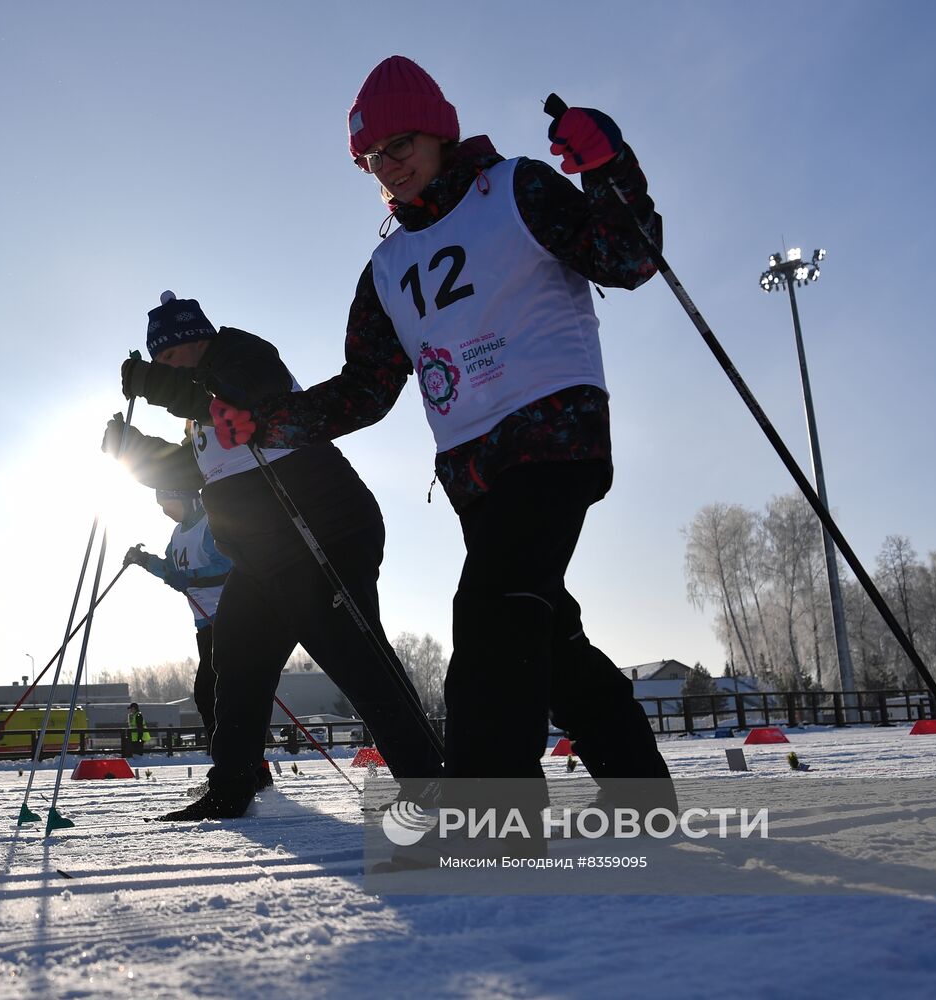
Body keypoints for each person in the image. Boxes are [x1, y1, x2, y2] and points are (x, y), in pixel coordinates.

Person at [207, 56, 673, 823]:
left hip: (553, 435)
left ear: (440, 131)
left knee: (490, 611)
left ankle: (493, 818)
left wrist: (609, 166)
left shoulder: (516, 187)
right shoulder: (388, 265)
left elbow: (626, 257)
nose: (389, 166)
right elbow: (365, 388)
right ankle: (639, 790)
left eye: (401, 144)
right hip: (474, 469)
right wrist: (268, 422)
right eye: (371, 158)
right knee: (542, 631)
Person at [105, 293, 443, 821]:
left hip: (321, 534)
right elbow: (189, 472)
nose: (169, 369)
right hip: (261, 557)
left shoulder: (243, 355)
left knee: (359, 663)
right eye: (161, 364)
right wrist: (130, 447)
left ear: (197, 341)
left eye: (172, 358)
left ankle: (430, 783)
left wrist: (153, 384)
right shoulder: (196, 418)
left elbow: (239, 398)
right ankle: (232, 785)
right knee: (234, 667)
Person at [123, 487, 273, 789]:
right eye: (163, 507)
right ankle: (249, 767)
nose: (167, 511)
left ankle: (238, 768)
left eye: (170, 504)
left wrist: (190, 579)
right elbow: (170, 570)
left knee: (211, 693)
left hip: (232, 617)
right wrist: (144, 560)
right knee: (213, 696)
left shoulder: (210, 525)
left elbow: (228, 567)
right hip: (204, 624)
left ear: (188, 498)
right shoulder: (178, 535)